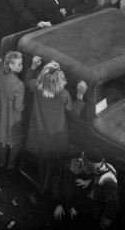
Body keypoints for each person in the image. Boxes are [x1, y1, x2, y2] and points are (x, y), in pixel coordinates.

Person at [25, 57, 87, 198]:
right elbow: (75, 113)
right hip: (56, 134)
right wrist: (80, 94)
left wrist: (33, 66)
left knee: (42, 158)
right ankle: (46, 185)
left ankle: (42, 183)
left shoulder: (36, 86)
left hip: (39, 132)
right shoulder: (63, 94)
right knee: (52, 160)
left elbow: (27, 79)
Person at [56, 149, 120, 228]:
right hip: (90, 213)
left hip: (97, 219)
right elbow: (98, 174)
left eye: (83, 162)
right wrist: (90, 181)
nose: (81, 164)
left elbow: (113, 205)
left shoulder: (108, 180)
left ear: (89, 164)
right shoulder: (101, 167)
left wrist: (104, 222)